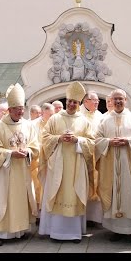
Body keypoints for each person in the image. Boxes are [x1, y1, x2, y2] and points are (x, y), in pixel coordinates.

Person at [39, 81, 94, 243]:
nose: (71, 104)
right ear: (66, 102)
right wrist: (59, 138)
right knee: (57, 192)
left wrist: (78, 140)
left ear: (79, 104)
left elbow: (91, 141)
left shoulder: (84, 121)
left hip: (77, 164)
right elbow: (45, 137)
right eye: (69, 101)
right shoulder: (55, 118)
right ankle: (56, 232)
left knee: (74, 194)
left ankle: (74, 233)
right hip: (57, 165)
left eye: (75, 102)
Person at [0, 83, 39, 246]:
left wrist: (28, 152)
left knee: (20, 201)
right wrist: (10, 153)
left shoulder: (28, 125)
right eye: (17, 109)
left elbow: (35, 145)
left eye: (22, 108)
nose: (21, 112)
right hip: (4, 171)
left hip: (22, 170)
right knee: (3, 201)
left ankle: (18, 231)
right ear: (9, 110)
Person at [95, 89, 131, 243]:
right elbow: (97, 139)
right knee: (114, 194)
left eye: (121, 99)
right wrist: (109, 142)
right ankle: (117, 230)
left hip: (130, 166)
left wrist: (128, 141)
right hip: (111, 166)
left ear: (126, 100)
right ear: (111, 101)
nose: (118, 101)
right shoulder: (105, 120)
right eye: (115, 99)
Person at [80, 91, 104, 225]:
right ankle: (83, 216)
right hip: (83, 154)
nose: (97, 103)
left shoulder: (100, 116)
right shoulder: (79, 115)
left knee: (97, 182)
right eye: (94, 100)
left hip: (97, 153)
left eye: (98, 101)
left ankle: (95, 218)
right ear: (85, 101)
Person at [31, 103, 55, 211]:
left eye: (53, 114)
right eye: (50, 115)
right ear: (43, 113)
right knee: (37, 184)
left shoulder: (54, 123)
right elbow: (32, 142)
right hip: (37, 160)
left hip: (52, 159)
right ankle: (37, 210)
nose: (52, 117)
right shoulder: (33, 124)